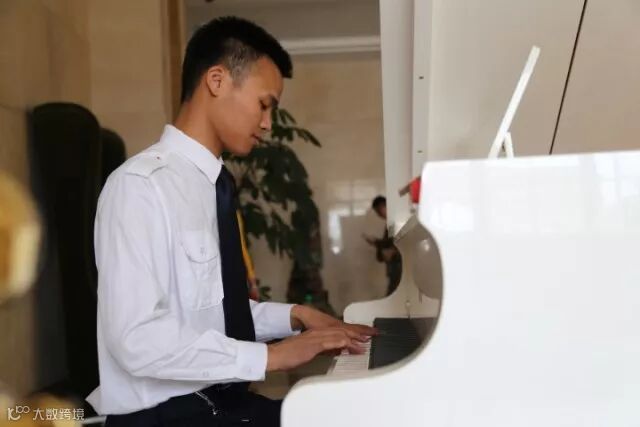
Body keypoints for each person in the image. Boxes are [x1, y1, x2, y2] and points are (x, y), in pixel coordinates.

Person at [87, 16, 376, 427]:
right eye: (264, 104)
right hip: (168, 417)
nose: (268, 124)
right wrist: (271, 356)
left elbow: (215, 317)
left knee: (348, 414)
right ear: (217, 80)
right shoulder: (140, 186)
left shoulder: (214, 185)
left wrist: (295, 315)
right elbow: (135, 338)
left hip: (219, 406)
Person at [365, 196, 402, 296]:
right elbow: (389, 243)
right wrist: (376, 242)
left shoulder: (396, 221)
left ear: (384, 206)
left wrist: (393, 252)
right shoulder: (391, 223)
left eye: (378, 211)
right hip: (394, 268)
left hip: (399, 267)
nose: (378, 215)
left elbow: (404, 244)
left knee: (393, 296)